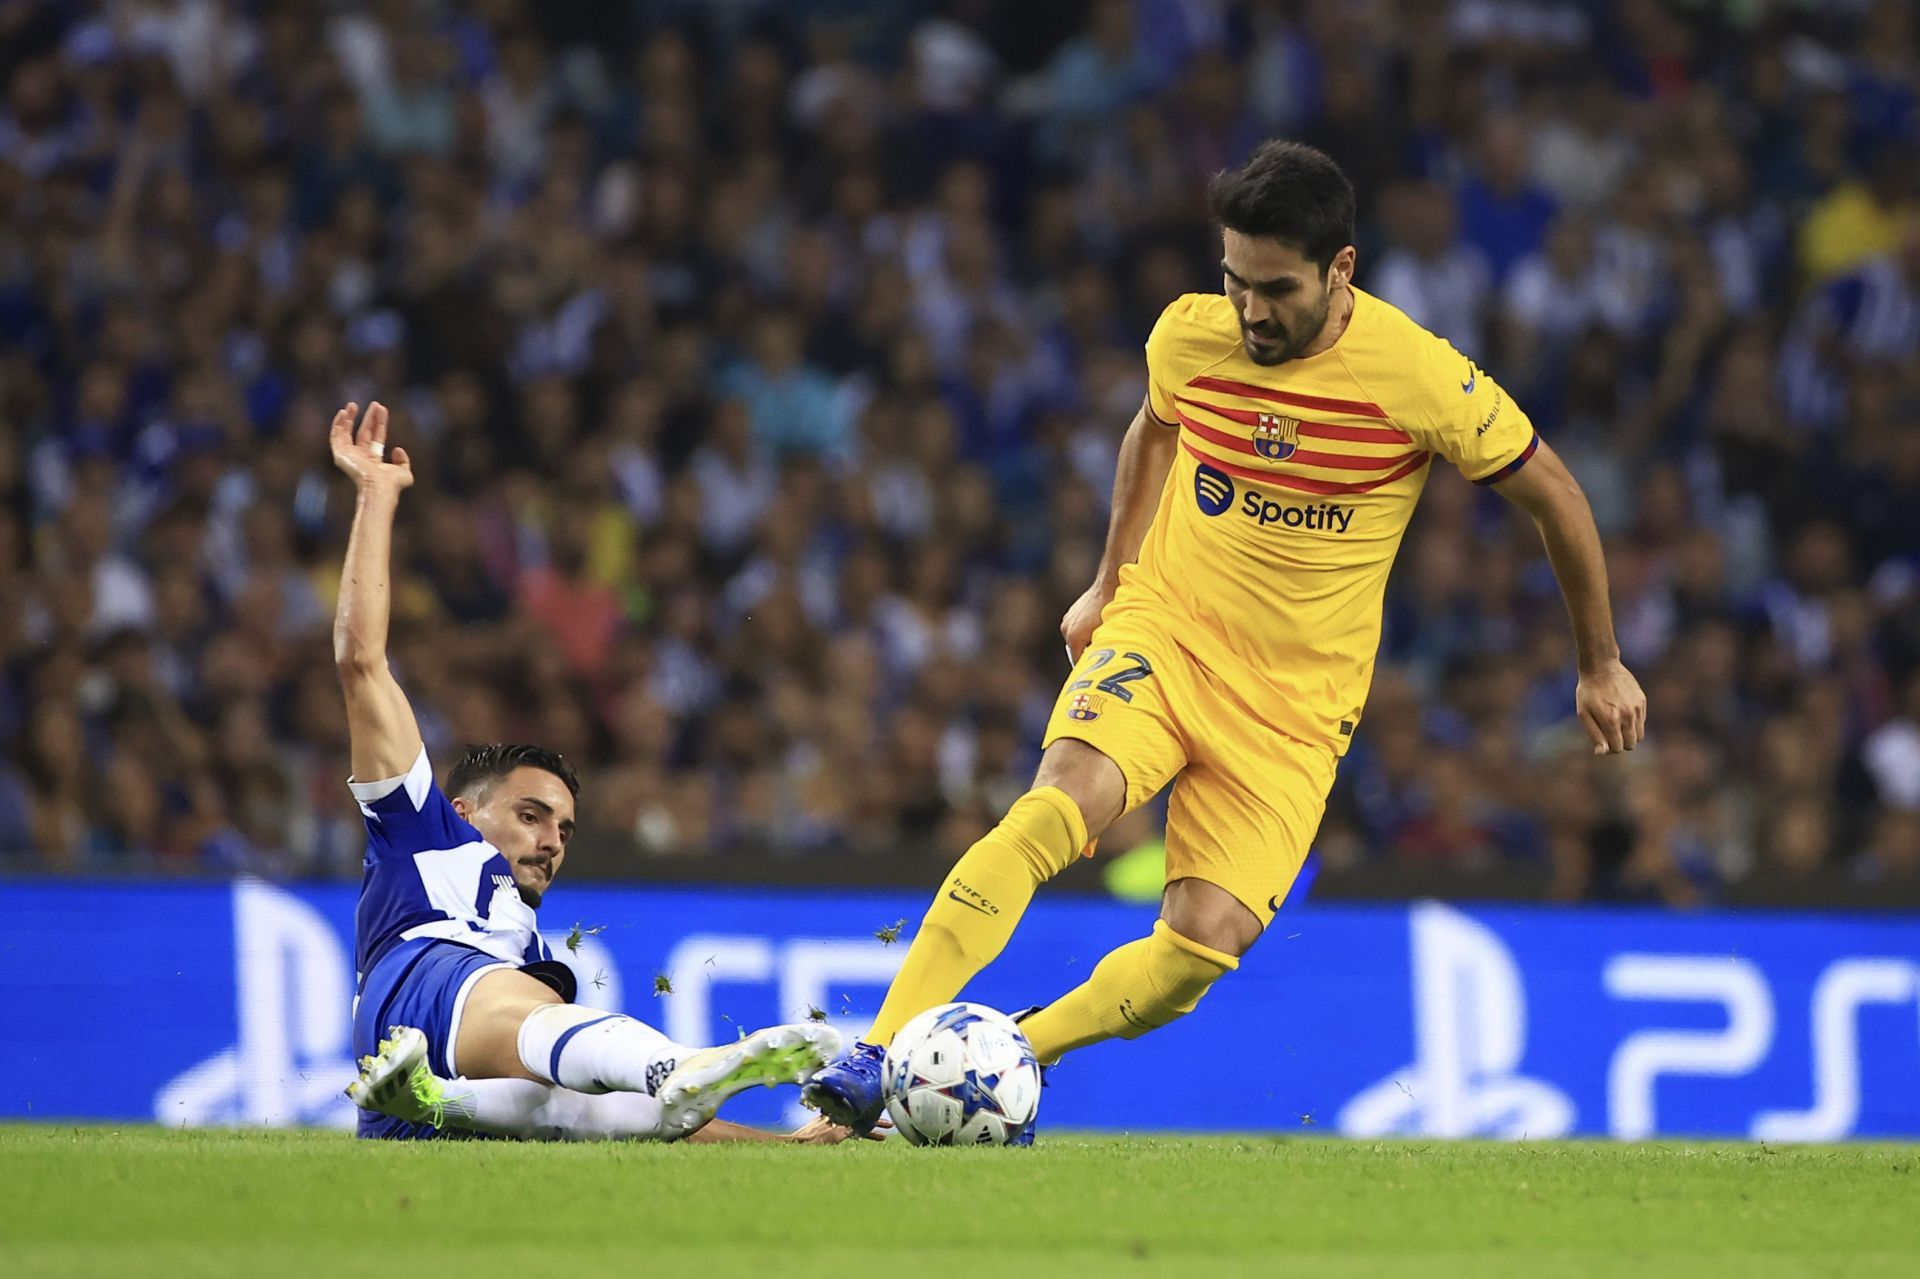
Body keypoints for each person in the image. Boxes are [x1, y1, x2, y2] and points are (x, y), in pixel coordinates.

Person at [802, 142, 1647, 1137]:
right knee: (1058, 803)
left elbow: (1558, 495)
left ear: (1343, 270)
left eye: (1276, 288)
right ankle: (875, 1051)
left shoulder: (1417, 375)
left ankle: (1007, 1053)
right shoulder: (1190, 337)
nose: (1250, 310)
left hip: (1294, 709)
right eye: (1234, 281)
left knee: (1199, 950)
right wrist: (1110, 580)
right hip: (1171, 632)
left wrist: (1598, 660)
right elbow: (1152, 428)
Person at [330, 400, 843, 1143]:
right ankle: (670, 1064)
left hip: (426, 1111)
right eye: (532, 814)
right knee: (539, 1022)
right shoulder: (424, 831)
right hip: (420, 984)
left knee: (575, 1105)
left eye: (564, 828)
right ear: (466, 812)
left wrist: (790, 1149)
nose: (552, 840)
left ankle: (450, 1099)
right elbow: (361, 662)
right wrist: (375, 498)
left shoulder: (530, 951)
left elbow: (626, 1117)